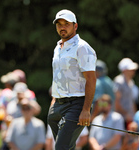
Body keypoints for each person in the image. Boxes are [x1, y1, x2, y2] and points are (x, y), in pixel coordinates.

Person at [47, 9, 97, 150]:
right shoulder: (58, 47)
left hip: (76, 105)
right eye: (59, 24)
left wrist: (86, 109)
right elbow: (57, 75)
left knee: (62, 148)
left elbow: (91, 79)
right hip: (57, 105)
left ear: (75, 26)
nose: (62, 27)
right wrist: (53, 102)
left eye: (66, 24)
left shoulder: (82, 48)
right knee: (65, 147)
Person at [114, 58, 139, 128]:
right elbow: (116, 102)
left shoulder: (131, 82)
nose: (133, 71)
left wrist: (134, 115)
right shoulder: (119, 81)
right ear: (124, 70)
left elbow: (132, 101)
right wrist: (126, 114)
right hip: (121, 118)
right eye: (131, 70)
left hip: (129, 117)